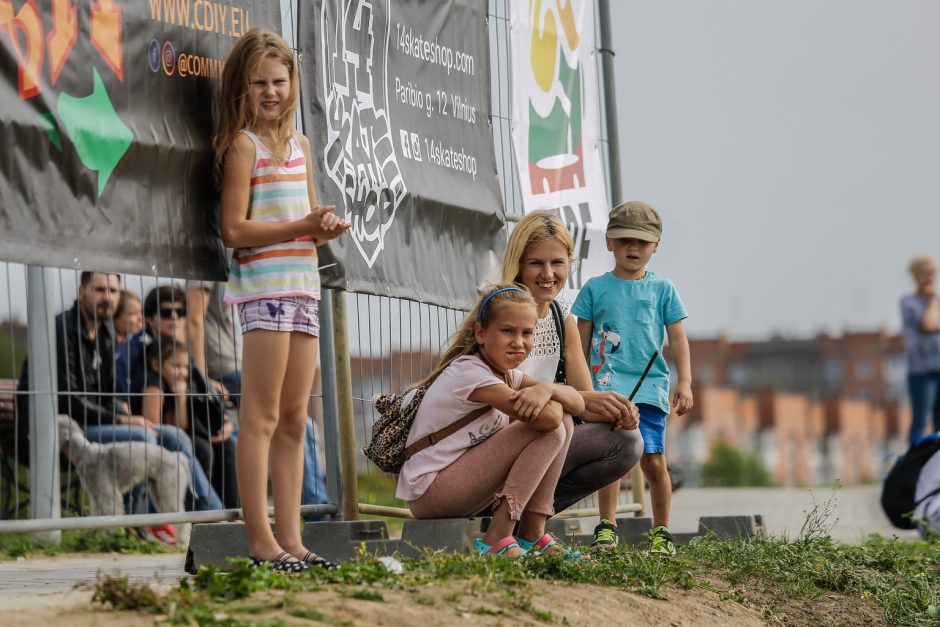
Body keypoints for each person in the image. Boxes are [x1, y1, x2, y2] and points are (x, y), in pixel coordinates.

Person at [215, 28, 351, 571]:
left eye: (279, 81)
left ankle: (292, 541)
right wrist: (300, 224)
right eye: (259, 83)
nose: (270, 92)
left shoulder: (302, 146)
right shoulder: (242, 146)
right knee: (262, 419)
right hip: (265, 292)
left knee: (296, 419)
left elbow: (308, 223)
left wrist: (324, 227)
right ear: (242, 89)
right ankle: (260, 541)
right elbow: (233, 230)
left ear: (293, 83)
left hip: (302, 289)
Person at [16, 271, 221, 546]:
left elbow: (110, 392)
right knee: (143, 437)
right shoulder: (61, 330)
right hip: (58, 427)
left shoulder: (106, 332)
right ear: (81, 292)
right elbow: (68, 400)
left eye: (113, 292)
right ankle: (135, 529)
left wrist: (126, 415)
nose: (107, 298)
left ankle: (210, 520)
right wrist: (121, 419)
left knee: (174, 436)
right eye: (100, 290)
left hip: (94, 421)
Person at [398, 285, 584, 558]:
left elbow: (577, 404)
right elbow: (549, 418)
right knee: (552, 427)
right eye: (507, 331)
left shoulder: (508, 375)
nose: (518, 342)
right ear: (481, 333)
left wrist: (548, 389)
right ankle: (497, 538)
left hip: (460, 481)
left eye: (527, 333)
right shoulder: (470, 373)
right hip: (430, 490)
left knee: (565, 421)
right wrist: (552, 392)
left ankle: (532, 534)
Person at [500, 210, 643, 549]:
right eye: (536, 263)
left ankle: (526, 520)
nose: (548, 274)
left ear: (569, 264)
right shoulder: (497, 310)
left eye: (557, 263)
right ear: (518, 263)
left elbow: (584, 400)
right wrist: (558, 395)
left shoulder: (562, 318)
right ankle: (507, 516)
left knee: (628, 440)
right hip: (496, 441)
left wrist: (617, 410)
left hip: (544, 438)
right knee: (557, 416)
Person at [572, 201, 692, 556]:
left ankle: (662, 532)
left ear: (656, 245)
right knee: (611, 458)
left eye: (642, 242)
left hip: (650, 388)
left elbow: (679, 338)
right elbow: (578, 343)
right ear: (609, 242)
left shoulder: (663, 289)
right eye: (624, 240)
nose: (633, 248)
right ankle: (607, 526)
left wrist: (684, 381)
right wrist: (581, 389)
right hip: (605, 389)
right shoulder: (594, 289)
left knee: (653, 460)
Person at [187, 281, 329, 514]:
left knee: (301, 426)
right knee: (293, 426)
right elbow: (193, 319)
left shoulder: (233, 265)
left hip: (236, 365)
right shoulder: (210, 262)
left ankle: (314, 509)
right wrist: (202, 380)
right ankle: (318, 512)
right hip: (225, 371)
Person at [117, 285, 231, 509]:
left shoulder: (179, 349)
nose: (175, 318)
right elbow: (119, 395)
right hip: (143, 424)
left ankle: (233, 517)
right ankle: (211, 515)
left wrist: (223, 420)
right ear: (149, 318)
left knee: (228, 444)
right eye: (167, 312)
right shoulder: (133, 351)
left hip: (183, 423)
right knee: (196, 448)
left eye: (180, 312)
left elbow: (202, 392)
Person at [141, 338, 239, 509]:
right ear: (157, 365)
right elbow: (162, 428)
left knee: (228, 447)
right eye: (176, 366)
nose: (183, 372)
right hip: (168, 440)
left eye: (186, 367)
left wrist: (181, 399)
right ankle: (208, 511)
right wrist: (179, 399)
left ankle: (233, 511)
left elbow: (184, 424)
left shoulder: (183, 383)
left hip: (187, 433)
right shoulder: (153, 384)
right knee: (202, 450)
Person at [901, 254, 940, 446]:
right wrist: (932, 301)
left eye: (933, 273)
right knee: (921, 419)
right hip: (921, 372)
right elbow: (926, 325)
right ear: (915, 275)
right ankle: (914, 468)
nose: (930, 278)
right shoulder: (909, 303)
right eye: (926, 273)